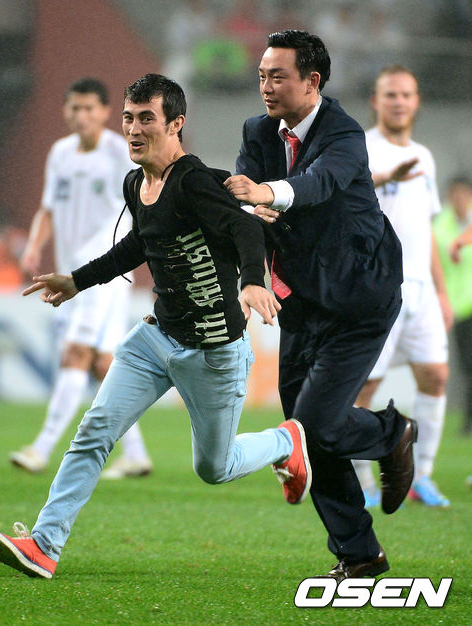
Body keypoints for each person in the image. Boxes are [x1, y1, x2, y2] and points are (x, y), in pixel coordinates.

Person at [0, 73, 309, 580]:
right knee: (95, 430)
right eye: (128, 118)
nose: (134, 130)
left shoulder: (193, 181)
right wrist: (77, 280)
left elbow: (245, 226)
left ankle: (286, 442)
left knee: (215, 468)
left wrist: (251, 282)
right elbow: (138, 244)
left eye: (147, 119)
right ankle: (44, 545)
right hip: (156, 338)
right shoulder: (135, 182)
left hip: (214, 350)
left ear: (176, 124)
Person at [224, 30, 417, 580]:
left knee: (311, 427)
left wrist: (267, 193)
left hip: (361, 297)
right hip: (304, 300)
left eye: (277, 76)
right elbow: (243, 203)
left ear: (312, 81)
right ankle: (359, 554)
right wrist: (252, 234)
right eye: (261, 76)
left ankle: (391, 434)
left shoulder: (344, 133)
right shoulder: (257, 131)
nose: (265, 86)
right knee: (303, 432)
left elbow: (317, 184)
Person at [10, 77, 152, 479]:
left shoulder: (119, 153)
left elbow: (142, 204)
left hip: (101, 271)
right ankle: (137, 454)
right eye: (75, 108)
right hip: (73, 272)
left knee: (75, 352)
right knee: (104, 365)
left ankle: (40, 449)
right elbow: (48, 209)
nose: (82, 115)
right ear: (65, 111)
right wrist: (34, 246)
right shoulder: (60, 153)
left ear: (105, 112)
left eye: (89, 108)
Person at [351, 66, 452, 509]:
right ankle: (362, 481)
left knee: (436, 376)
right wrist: (385, 177)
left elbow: (425, 229)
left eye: (406, 94)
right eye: (390, 94)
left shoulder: (425, 157)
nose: (399, 101)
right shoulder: (361, 149)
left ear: (417, 102)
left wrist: (442, 292)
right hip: (378, 286)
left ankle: (420, 476)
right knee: (364, 387)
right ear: (375, 101)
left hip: (422, 290)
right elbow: (344, 201)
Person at [435, 176, 472, 434]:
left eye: (464, 194)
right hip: (459, 308)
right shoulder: (440, 227)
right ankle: (469, 420)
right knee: (468, 366)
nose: (459, 200)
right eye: (455, 194)